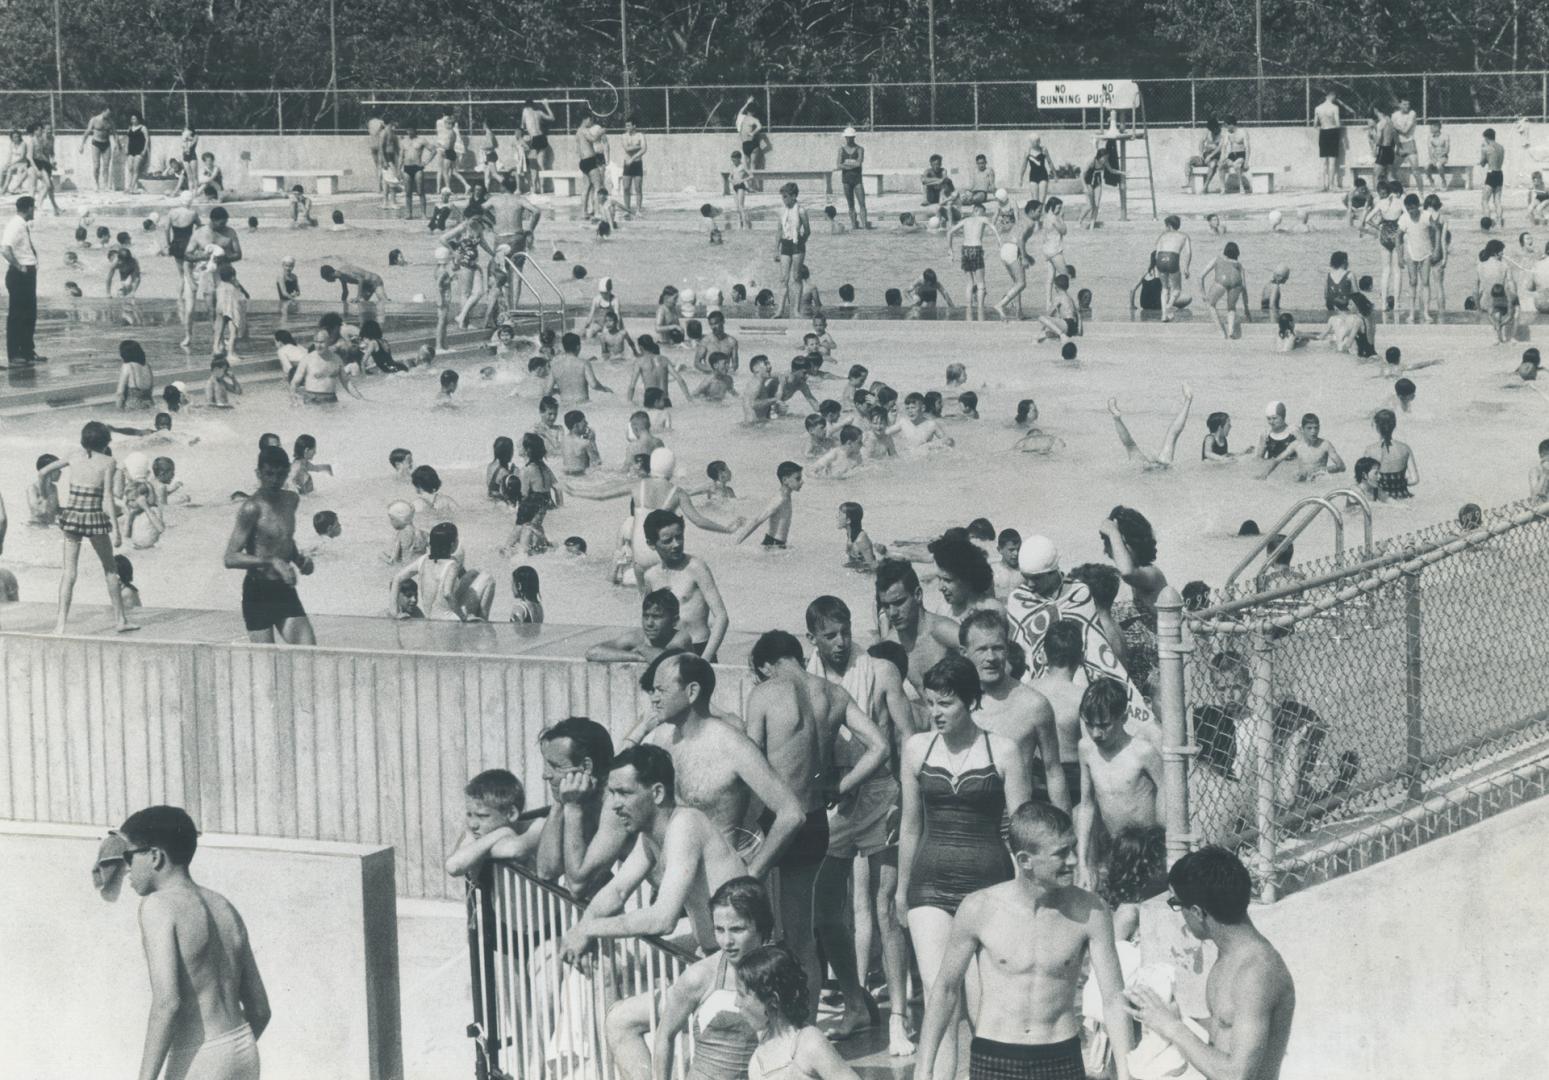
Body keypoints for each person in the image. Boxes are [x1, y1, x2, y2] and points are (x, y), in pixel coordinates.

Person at [915, 802, 1134, 1080]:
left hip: (1060, 1055)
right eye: (1060, 854)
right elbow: (945, 989)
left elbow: (1113, 998)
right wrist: (924, 1069)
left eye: (1073, 848)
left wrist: (1127, 1070)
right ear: (1025, 860)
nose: (1073, 861)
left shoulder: (1091, 911)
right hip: (995, 1055)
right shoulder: (979, 908)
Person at [898, 653, 1032, 1080]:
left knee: (983, 1000)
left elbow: (1024, 831)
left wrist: (1028, 895)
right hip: (930, 887)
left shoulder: (1004, 750)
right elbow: (910, 825)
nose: (936, 713)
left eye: (946, 703)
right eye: (931, 703)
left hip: (990, 888)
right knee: (941, 994)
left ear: (970, 700)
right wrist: (902, 890)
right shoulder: (917, 748)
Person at [804, 596, 916, 1054]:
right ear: (812, 637)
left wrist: (912, 801)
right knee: (826, 912)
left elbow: (908, 738)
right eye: (829, 635)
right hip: (833, 800)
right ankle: (853, 1002)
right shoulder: (806, 679)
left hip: (880, 794)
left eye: (845, 631)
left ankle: (899, 1017)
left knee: (886, 906)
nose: (840, 641)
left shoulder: (881, 671)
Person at [116, 805, 270, 1080]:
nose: (126, 867)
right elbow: (260, 1009)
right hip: (242, 1049)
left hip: (199, 1054)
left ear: (155, 856)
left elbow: (167, 1004)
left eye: (129, 855)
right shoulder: (223, 906)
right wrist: (227, 1057)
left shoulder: (159, 905)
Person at [1125, 846, 1296, 1080]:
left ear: (1197, 912)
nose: (1179, 913)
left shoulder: (1257, 972)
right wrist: (1174, 1017)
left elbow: (1237, 1075)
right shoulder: (1230, 955)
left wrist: (1172, 1027)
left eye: (1177, 904)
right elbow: (1226, 1026)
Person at [632, 652, 806, 879]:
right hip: (675, 882)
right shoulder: (663, 738)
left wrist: (751, 876)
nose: (654, 699)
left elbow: (792, 813)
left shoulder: (732, 745)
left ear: (692, 691)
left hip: (721, 884)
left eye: (661, 690)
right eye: (653, 691)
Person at [606, 876, 774, 1080]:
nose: (727, 941)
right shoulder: (700, 976)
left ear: (761, 926)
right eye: (719, 930)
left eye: (737, 929)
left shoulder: (780, 970)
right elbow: (665, 1035)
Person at [959, 610, 1071, 810]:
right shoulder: (954, 704)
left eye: (998, 648)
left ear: (1007, 650)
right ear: (964, 653)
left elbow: (1053, 771)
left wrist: (1066, 829)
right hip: (964, 822)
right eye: (982, 649)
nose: (991, 657)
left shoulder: (1034, 704)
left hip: (1015, 820)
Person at [39, 422, 136, 633]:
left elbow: (43, 472)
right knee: (110, 569)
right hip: (93, 519)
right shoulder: (109, 461)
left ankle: (60, 625)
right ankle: (121, 620)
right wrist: (117, 531)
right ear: (106, 441)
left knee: (69, 572)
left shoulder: (73, 455)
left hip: (71, 519)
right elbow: (108, 496)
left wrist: (44, 494)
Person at [223, 445, 315, 645]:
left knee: (309, 654)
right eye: (269, 474)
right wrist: (271, 562)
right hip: (258, 592)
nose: (274, 480)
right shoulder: (251, 507)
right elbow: (230, 558)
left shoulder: (291, 500)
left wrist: (299, 560)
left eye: (281, 474)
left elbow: (284, 540)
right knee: (265, 664)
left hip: (283, 589)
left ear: (288, 473)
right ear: (258, 473)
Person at [1075, 678, 1162, 888]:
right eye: (1089, 724)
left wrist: (1163, 843)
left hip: (1147, 849)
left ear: (1123, 718)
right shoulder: (1086, 749)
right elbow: (1086, 806)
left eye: (1104, 725)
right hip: (1114, 848)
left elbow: (1167, 795)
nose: (1096, 733)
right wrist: (1083, 862)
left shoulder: (1143, 752)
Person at [737, 945, 862, 1080]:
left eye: (742, 995)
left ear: (772, 1001)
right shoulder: (762, 1045)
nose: (736, 1003)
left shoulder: (808, 1042)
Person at [531, 716, 619, 897]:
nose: (545, 775)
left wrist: (572, 807)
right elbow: (547, 871)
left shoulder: (615, 800)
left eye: (555, 766)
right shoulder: (581, 796)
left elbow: (578, 886)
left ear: (586, 766)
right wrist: (559, 803)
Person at [641, 510, 732, 660]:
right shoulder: (650, 576)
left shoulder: (696, 568)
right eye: (667, 540)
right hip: (665, 651)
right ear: (651, 544)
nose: (676, 544)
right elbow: (647, 619)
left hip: (698, 649)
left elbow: (721, 617)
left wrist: (705, 659)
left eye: (679, 537)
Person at [588, 588, 693, 663]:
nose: (649, 623)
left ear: (674, 620)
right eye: (646, 616)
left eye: (656, 617)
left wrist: (643, 649)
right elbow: (594, 652)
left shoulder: (681, 638)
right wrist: (636, 657)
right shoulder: (637, 637)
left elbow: (666, 660)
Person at [1107, 386, 1193, 470]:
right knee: (1172, 435)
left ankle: (1117, 418)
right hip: (1163, 468)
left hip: (1147, 469)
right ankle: (1188, 400)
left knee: (1131, 445)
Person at [3, 195, 40, 367]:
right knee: (18, 315)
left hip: (28, 273)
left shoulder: (22, 225)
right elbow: (5, 249)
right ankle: (15, 354)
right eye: (34, 208)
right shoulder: (15, 225)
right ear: (29, 208)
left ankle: (27, 351)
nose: (35, 211)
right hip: (20, 275)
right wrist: (19, 266)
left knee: (29, 314)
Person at [734, 461, 804, 548]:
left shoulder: (786, 496)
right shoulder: (780, 499)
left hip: (777, 544)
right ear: (785, 480)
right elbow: (757, 520)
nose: (802, 482)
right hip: (773, 545)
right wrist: (737, 543)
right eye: (798, 478)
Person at [1362, 408, 1418, 498]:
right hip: (1402, 496)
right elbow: (1415, 480)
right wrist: (1398, 482)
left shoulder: (1370, 450)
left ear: (1376, 427)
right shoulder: (1405, 448)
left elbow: (1366, 480)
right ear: (1394, 425)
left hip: (1381, 498)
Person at [774, 183, 811, 319]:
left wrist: (801, 243)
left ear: (794, 196)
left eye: (786, 197)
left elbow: (807, 231)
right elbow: (779, 230)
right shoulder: (782, 211)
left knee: (796, 277)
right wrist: (775, 249)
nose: (784, 200)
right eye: (782, 197)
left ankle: (796, 310)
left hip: (797, 244)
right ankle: (780, 310)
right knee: (783, 278)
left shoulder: (801, 211)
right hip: (786, 243)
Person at [1152, 214, 1192, 320]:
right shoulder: (1184, 236)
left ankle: (1164, 315)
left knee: (1164, 288)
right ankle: (1169, 306)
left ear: (1169, 225)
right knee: (1177, 289)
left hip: (1160, 258)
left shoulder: (1163, 236)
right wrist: (1186, 268)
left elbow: (1156, 252)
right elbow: (1188, 253)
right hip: (1172, 258)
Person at [836, 126, 870, 230]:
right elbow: (838, 165)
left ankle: (864, 226)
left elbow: (859, 164)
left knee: (862, 203)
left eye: (850, 137)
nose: (849, 139)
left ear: (854, 137)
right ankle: (854, 226)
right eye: (847, 137)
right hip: (846, 180)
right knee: (850, 204)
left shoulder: (860, 149)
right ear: (845, 137)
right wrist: (852, 164)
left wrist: (846, 164)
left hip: (857, 179)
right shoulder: (841, 150)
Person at [1313, 90, 1342, 191]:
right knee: (1332, 161)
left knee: (1323, 161)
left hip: (1323, 132)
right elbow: (1338, 123)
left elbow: (1315, 124)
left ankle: (1323, 185)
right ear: (1332, 96)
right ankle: (1331, 185)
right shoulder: (1335, 108)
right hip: (1333, 131)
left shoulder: (1318, 108)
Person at [1480, 128, 1506, 226]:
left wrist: (1483, 156)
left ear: (1486, 137)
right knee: (1497, 200)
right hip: (1499, 173)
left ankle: (1487, 222)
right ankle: (1499, 221)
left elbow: (1482, 163)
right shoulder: (1501, 147)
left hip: (1491, 174)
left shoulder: (1486, 148)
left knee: (1484, 200)